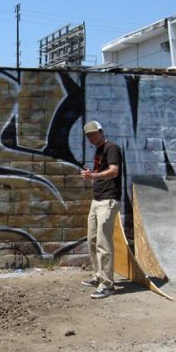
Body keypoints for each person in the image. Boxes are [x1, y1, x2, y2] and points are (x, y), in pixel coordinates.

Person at [80, 120, 122, 299]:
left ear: (101, 131)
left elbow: (114, 171)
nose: (91, 138)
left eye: (93, 134)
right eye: (88, 136)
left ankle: (108, 285)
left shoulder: (111, 148)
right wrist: (93, 174)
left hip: (108, 200)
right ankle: (98, 276)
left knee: (103, 244)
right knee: (92, 240)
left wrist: (93, 176)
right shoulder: (98, 151)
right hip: (96, 201)